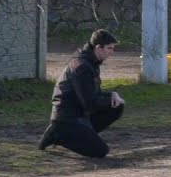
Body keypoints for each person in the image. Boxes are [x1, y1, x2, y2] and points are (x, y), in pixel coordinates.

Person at [38, 29, 125, 159]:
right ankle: (58, 135)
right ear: (98, 47)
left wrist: (112, 95)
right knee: (101, 151)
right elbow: (90, 103)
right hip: (67, 118)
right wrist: (109, 100)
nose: (112, 52)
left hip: (79, 114)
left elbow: (94, 93)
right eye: (109, 48)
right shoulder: (82, 67)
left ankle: (81, 134)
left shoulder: (91, 63)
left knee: (116, 107)